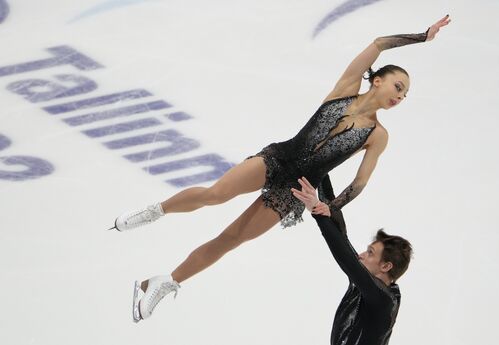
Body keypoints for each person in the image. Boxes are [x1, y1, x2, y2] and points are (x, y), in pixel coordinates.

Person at [113, 15, 451, 322]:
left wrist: (325, 207)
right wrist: (422, 37)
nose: (400, 96)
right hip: (277, 159)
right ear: (377, 80)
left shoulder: (378, 135)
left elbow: (359, 183)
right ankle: (156, 211)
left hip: (295, 191)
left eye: (405, 95)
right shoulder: (347, 88)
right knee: (216, 194)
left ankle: (162, 282)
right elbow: (377, 44)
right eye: (398, 87)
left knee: (231, 239)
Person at [292, 177, 412, 345]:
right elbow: (341, 236)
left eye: (370, 253)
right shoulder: (367, 284)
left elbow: (348, 260)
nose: (361, 255)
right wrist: (322, 169)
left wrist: (318, 214)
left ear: (385, 266)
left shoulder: (384, 301)